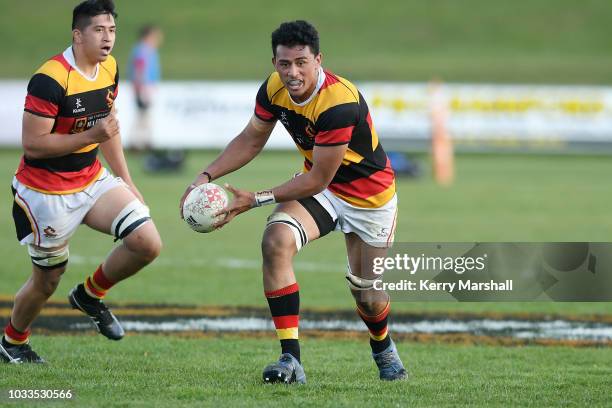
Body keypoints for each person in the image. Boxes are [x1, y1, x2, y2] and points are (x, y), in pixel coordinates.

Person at [180, 20, 406, 383]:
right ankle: (291, 359)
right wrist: (205, 176)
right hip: (323, 193)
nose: (293, 72)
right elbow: (251, 139)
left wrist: (252, 199)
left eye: (301, 62)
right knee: (275, 241)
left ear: (319, 59)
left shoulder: (339, 103)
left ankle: (383, 346)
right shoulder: (274, 89)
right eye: (284, 64)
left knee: (367, 294)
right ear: (274, 62)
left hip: (368, 198)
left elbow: (319, 177)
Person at [1, 0, 162, 364]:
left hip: (91, 179)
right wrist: (92, 132)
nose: (108, 39)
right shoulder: (50, 78)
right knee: (47, 281)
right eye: (99, 30)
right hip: (46, 192)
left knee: (146, 242)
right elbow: (33, 143)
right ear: (78, 35)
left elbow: (110, 130)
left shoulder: (111, 68)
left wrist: (126, 179)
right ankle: (12, 341)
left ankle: (89, 295)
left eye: (113, 30)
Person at [128, 24, 185, 172]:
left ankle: (140, 145)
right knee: (143, 117)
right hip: (144, 86)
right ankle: (140, 146)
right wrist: (141, 88)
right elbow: (140, 69)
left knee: (143, 117)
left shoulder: (146, 50)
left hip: (146, 86)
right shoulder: (143, 49)